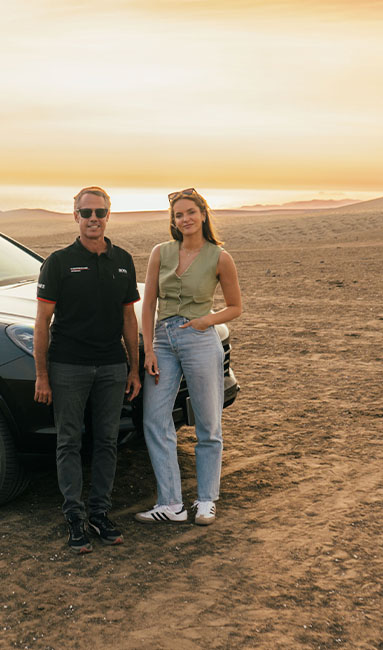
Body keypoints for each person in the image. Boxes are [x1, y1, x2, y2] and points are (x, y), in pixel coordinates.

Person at [34, 186, 142, 553]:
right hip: (68, 366)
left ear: (108, 215)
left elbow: (129, 319)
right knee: (69, 441)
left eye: (99, 212)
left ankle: (99, 513)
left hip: (112, 366)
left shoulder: (123, 260)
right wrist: (42, 375)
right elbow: (42, 322)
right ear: (75, 216)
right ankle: (74, 518)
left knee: (107, 441)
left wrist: (133, 369)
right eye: (86, 213)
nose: (93, 219)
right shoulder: (59, 262)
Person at [134, 188, 242, 526]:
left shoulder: (220, 257)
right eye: (178, 215)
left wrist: (206, 320)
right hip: (163, 342)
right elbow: (148, 304)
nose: (185, 219)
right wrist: (149, 349)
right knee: (155, 419)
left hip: (200, 340)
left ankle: (206, 500)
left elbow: (235, 307)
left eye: (190, 212)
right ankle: (171, 504)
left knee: (208, 423)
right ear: (174, 221)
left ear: (203, 214)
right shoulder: (161, 252)